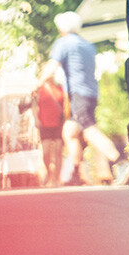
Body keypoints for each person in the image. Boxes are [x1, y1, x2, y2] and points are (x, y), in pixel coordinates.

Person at [50, 11, 100, 186]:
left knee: (89, 129)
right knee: (69, 132)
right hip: (90, 93)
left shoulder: (64, 43)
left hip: (78, 93)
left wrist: (37, 82)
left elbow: (52, 66)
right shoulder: (87, 45)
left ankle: (120, 162)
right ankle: (76, 173)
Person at [28, 60, 69, 187]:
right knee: (46, 151)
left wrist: (66, 119)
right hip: (44, 122)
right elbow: (34, 105)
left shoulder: (60, 86)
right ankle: (48, 173)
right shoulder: (39, 87)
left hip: (58, 122)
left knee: (57, 150)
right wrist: (36, 119)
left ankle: (56, 177)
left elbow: (66, 103)